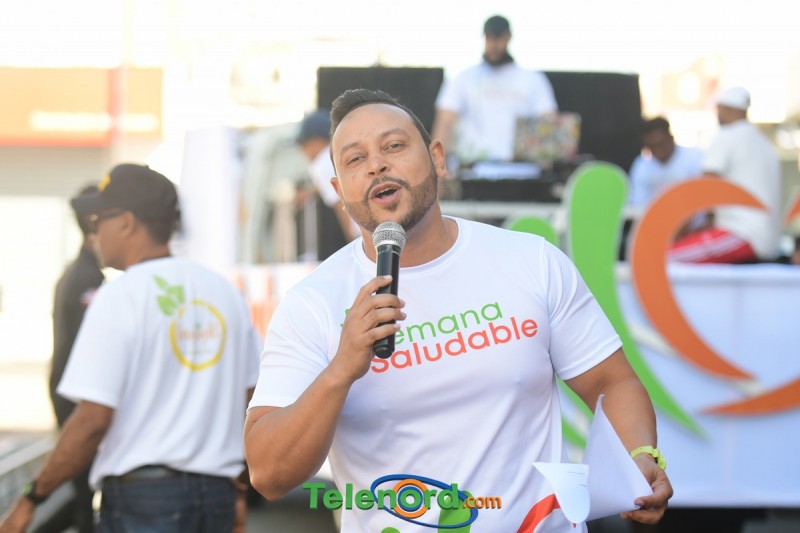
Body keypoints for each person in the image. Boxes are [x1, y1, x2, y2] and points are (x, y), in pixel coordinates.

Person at [244, 89, 672, 532]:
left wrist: (639, 455)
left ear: (438, 159)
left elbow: (612, 382)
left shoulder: (531, 261)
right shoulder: (313, 303)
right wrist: (339, 372)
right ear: (339, 190)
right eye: (355, 159)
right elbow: (269, 474)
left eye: (393, 146)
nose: (376, 166)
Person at [0, 164, 261, 533]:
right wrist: (239, 486)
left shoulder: (118, 296)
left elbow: (92, 420)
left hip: (145, 501)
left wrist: (32, 497)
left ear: (125, 223)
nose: (93, 233)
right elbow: (252, 400)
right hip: (215, 496)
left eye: (97, 220)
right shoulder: (225, 293)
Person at [46, 185, 105, 533]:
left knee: (82, 491)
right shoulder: (88, 276)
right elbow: (91, 350)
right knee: (83, 493)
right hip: (75, 399)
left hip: (67, 391)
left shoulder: (79, 270)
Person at [669, 86, 783, 263]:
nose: (717, 114)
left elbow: (704, 188)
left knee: (664, 259)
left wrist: (678, 229)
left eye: (719, 109)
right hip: (768, 239)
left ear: (728, 109)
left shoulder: (728, 135)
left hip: (742, 233)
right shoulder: (764, 142)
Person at [431, 14, 558, 165]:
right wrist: (437, 167)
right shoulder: (463, 78)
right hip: (472, 168)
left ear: (508, 37)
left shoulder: (534, 80)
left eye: (498, 38)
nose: (493, 44)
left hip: (521, 169)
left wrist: (546, 165)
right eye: (489, 38)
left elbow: (547, 124)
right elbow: (445, 123)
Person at [295, 110, 359, 258]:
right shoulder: (338, 154)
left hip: (359, 230)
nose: (303, 152)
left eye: (304, 145)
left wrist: (353, 246)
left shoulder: (321, 164)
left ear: (316, 141)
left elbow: (341, 205)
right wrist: (309, 192)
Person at [628, 117, 704, 209]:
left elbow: (704, 194)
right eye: (651, 147)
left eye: (661, 144)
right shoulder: (641, 165)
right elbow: (639, 204)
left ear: (671, 138)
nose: (658, 151)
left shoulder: (695, 157)